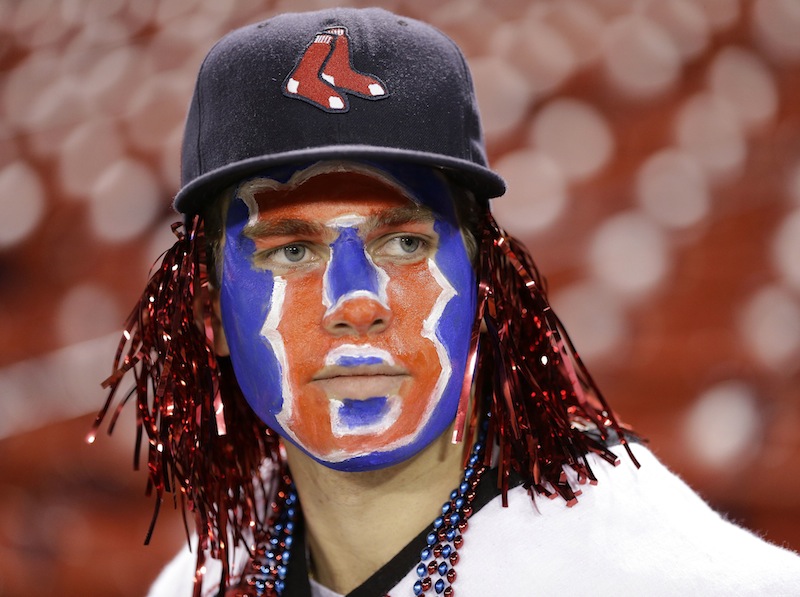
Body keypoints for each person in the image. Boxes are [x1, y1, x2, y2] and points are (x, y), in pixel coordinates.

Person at [93, 7, 800, 597]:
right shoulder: (200, 579)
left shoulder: (667, 573)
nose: (356, 303)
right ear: (208, 312)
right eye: (293, 250)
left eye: (403, 243)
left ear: (487, 285)